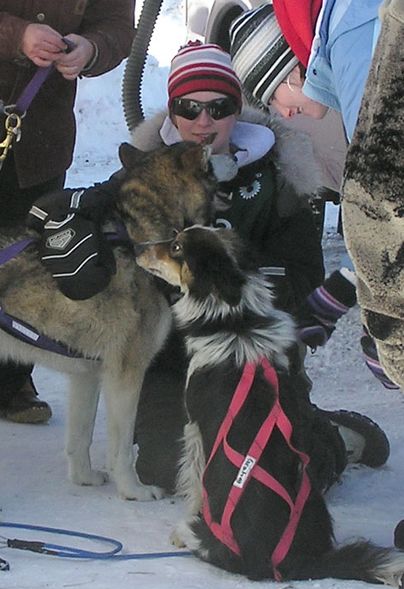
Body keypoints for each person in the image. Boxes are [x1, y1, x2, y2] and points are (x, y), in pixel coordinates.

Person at [29, 41, 390, 496]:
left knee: (274, 475)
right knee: (173, 470)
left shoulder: (279, 177)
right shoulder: (145, 170)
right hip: (172, 357)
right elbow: (90, 211)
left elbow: (302, 279)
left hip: (249, 352)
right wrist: (62, 219)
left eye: (219, 107)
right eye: (189, 107)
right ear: (173, 111)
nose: (203, 121)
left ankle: (337, 439)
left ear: (236, 110)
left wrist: (224, 279)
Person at [229, 0, 404, 391]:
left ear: (291, 71)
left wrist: (387, 324)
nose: (285, 115)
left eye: (271, 97)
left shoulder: (351, 42)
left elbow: (387, 195)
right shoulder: (353, 19)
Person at [0, 1, 135, 424]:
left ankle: (11, 379)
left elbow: (117, 26)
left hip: (39, 139)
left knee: (28, 265)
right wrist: (16, 34)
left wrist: (90, 48)